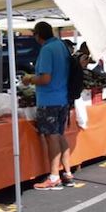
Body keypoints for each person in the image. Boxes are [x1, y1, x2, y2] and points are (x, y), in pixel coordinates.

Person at [22, 22, 73, 190]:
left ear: (38, 35)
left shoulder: (46, 50)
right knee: (59, 134)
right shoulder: (61, 45)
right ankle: (67, 172)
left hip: (49, 100)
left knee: (52, 137)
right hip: (63, 98)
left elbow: (45, 79)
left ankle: (53, 176)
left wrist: (29, 78)